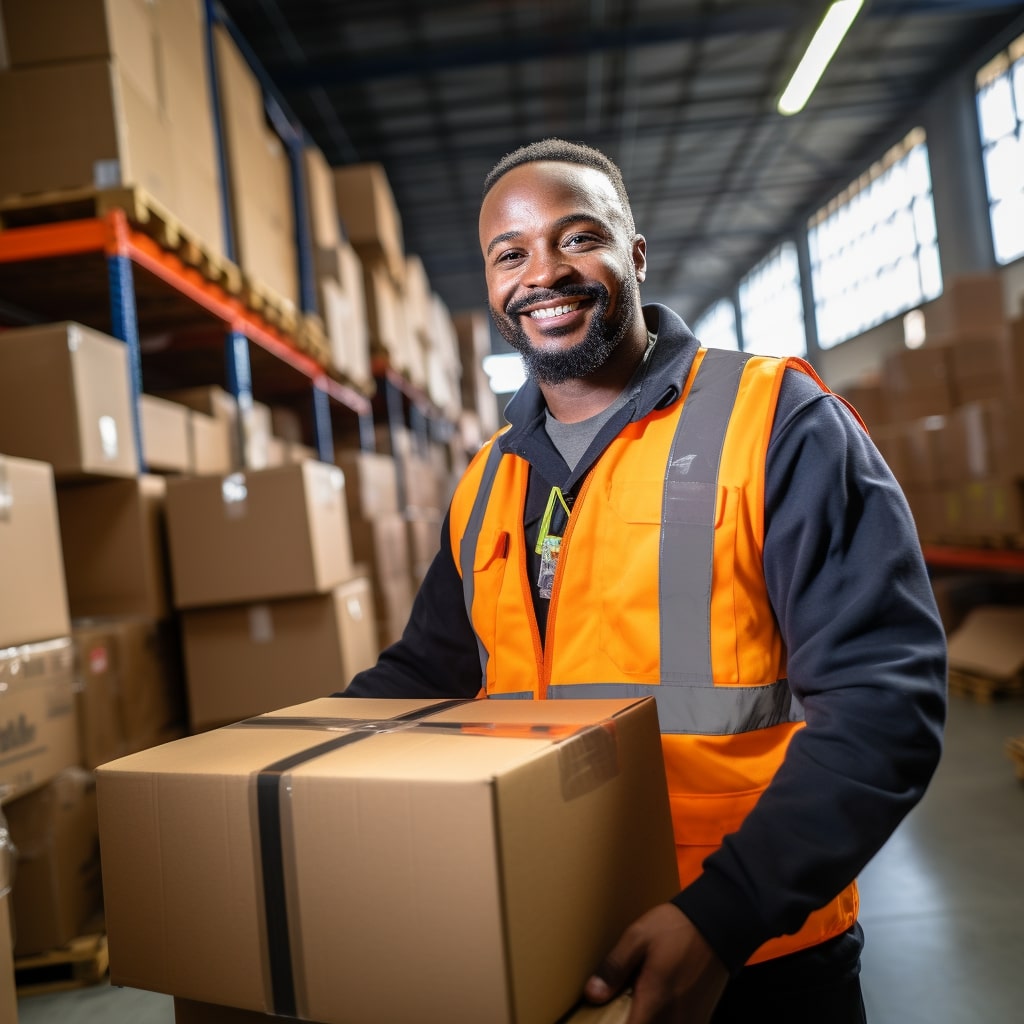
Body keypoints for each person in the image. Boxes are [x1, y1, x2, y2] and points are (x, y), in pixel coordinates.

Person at [342, 138, 947, 1023]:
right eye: (511, 255)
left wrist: (724, 915)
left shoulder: (775, 420)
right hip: (553, 935)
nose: (543, 272)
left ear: (635, 253)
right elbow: (426, 674)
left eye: (576, 237)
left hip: (756, 956)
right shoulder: (488, 483)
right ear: (492, 288)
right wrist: (263, 774)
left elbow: (886, 701)